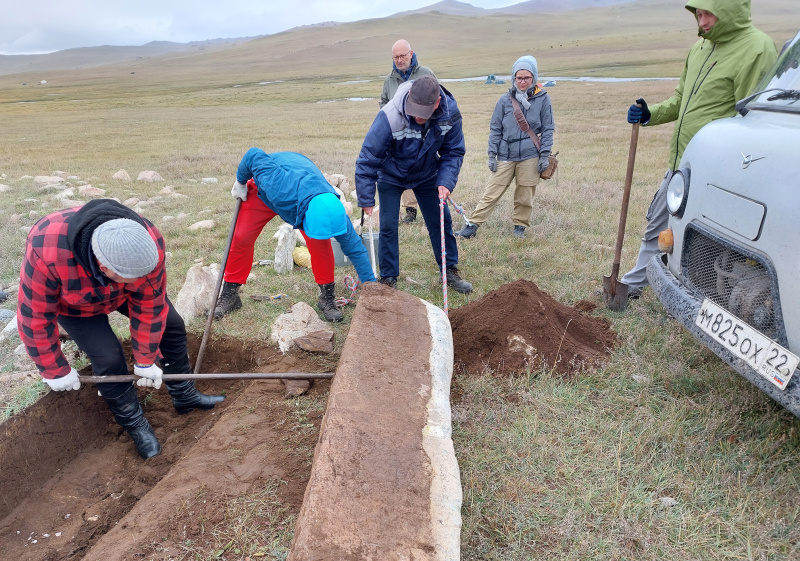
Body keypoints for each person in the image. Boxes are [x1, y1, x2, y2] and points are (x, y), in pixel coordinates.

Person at [17, 199, 224, 460]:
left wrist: (145, 360)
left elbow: (150, 303)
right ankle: (136, 426)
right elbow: (34, 317)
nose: (142, 280)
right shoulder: (46, 252)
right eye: (133, 278)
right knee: (109, 358)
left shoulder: (146, 240)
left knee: (172, 325)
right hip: (75, 305)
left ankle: (184, 395)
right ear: (104, 267)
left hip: (124, 294)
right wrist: (54, 369)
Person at [619, 0, 777, 300]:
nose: (702, 22)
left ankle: (703, 299)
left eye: (709, 15)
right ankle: (632, 287)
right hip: (682, 164)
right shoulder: (699, 48)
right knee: (657, 226)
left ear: (729, 11)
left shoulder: (757, 48)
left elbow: (752, 118)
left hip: (719, 168)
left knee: (704, 238)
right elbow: (681, 100)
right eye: (699, 14)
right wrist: (650, 114)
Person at [215, 148, 377, 321]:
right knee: (241, 236)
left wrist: (373, 291)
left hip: (308, 193)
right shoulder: (276, 184)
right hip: (269, 191)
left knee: (320, 245)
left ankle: (327, 297)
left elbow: (356, 249)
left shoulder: (333, 210)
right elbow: (253, 154)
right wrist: (240, 183)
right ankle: (230, 294)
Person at [356, 75, 472, 294]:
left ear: (437, 103)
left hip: (427, 173)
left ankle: (449, 270)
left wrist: (445, 181)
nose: (418, 116)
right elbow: (368, 157)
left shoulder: (450, 114)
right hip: (390, 174)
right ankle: (388, 278)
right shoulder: (390, 115)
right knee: (388, 224)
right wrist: (366, 197)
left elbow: (453, 151)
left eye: (423, 112)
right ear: (409, 96)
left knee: (441, 220)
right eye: (414, 109)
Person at [455, 55, 554, 240]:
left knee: (525, 193)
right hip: (505, 153)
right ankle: (472, 225)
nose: (522, 82)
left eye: (527, 78)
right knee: (491, 191)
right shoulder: (504, 101)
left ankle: (520, 227)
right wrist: (492, 154)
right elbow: (495, 128)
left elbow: (548, 129)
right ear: (513, 78)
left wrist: (544, 155)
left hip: (530, 154)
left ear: (534, 77)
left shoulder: (543, 99)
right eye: (519, 78)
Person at [380, 39, 437, 225]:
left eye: (402, 56)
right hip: (399, 135)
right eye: (395, 57)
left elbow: (438, 98)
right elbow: (383, 103)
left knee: (425, 169)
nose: (399, 60)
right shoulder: (390, 80)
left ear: (411, 54)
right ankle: (410, 210)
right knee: (402, 168)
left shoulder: (425, 73)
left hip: (423, 133)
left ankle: (431, 205)